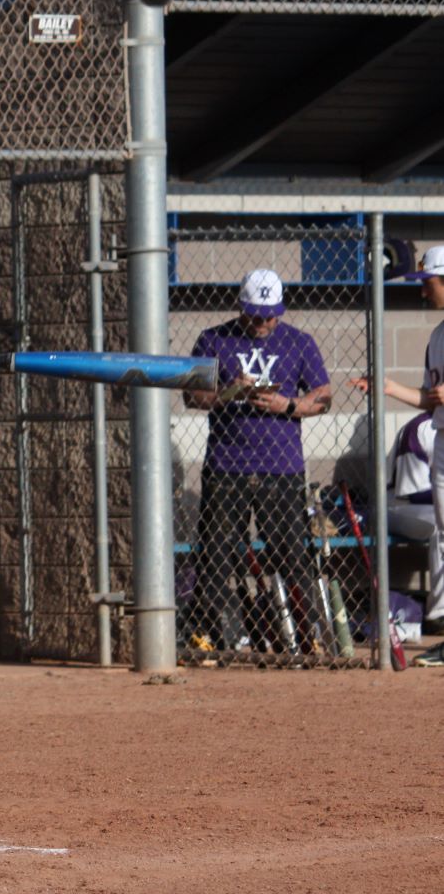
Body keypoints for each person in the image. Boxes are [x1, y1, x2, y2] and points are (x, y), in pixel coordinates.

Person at [182, 269, 333, 655]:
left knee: (291, 553)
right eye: (257, 315)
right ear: (241, 306)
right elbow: (192, 397)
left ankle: (309, 631)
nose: (266, 323)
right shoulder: (214, 339)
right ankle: (204, 636)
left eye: (272, 315)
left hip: (280, 467)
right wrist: (229, 392)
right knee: (216, 554)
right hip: (227, 465)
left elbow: (324, 396)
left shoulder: (298, 342)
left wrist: (289, 405)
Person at [351, 244, 444, 665]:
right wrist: (388, 388)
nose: (424, 292)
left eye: (430, 283)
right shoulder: (437, 336)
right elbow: (430, 400)